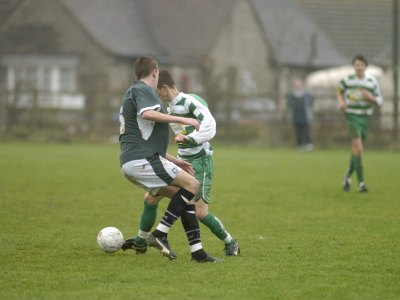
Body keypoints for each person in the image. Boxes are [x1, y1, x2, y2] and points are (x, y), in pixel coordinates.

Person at [122, 69, 240, 257]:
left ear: (164, 88)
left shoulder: (189, 101)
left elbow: (210, 124)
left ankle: (230, 242)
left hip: (200, 161)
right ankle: (140, 241)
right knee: (150, 198)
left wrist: (191, 139)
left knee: (200, 212)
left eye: (156, 92)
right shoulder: (169, 108)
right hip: (183, 161)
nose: (155, 96)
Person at [336, 54, 383, 192]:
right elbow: (339, 90)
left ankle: (347, 177)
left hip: (365, 117)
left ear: (365, 67)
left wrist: (370, 98)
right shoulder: (348, 80)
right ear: (353, 66)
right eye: (356, 65)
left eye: (361, 65)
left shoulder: (372, 82)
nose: (359, 67)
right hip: (352, 116)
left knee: (356, 150)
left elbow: (379, 100)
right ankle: (361, 183)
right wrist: (341, 102)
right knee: (359, 148)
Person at [287, 78, 314, 151]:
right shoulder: (292, 95)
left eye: (299, 84)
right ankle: (299, 145)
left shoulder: (306, 95)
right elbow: (289, 105)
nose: (297, 86)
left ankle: (309, 144)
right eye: (296, 84)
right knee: (298, 132)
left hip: (305, 116)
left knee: (306, 131)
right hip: (296, 116)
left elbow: (310, 104)